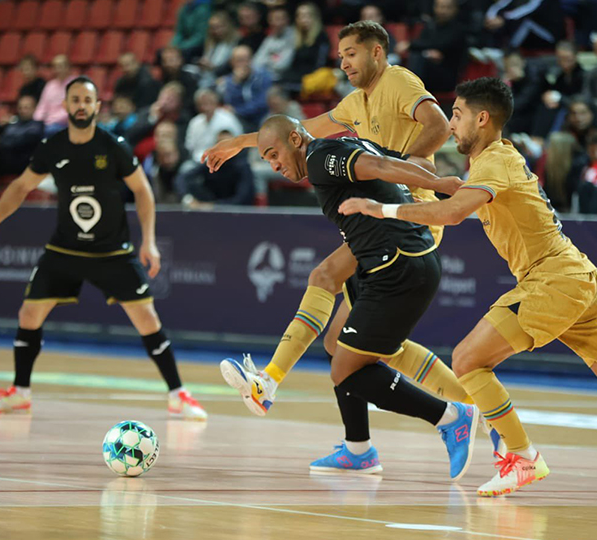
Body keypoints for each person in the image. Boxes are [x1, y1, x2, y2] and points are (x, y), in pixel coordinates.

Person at [339, 77, 597, 503]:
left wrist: (380, 207)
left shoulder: (493, 163)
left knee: (467, 360)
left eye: (457, 116)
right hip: (577, 277)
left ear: (482, 119)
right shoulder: (497, 160)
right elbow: (455, 195)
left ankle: (522, 455)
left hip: (553, 277)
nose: (451, 124)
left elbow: (453, 212)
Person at [205, 21, 478, 471]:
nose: (344, 61)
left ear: (377, 52)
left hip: (409, 213)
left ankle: (272, 381)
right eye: (340, 55)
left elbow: (437, 126)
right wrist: (240, 141)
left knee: (337, 306)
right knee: (345, 342)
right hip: (382, 210)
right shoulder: (352, 106)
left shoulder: (399, 81)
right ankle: (359, 446)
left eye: (352, 52)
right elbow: (296, 129)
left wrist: (415, 174)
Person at [247, 114, 478, 480]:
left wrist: (438, 183)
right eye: (266, 160)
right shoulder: (337, 147)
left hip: (399, 267)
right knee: (336, 340)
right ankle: (358, 448)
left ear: (295, 139)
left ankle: (452, 416)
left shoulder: (321, 157)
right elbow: (395, 162)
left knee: (347, 370)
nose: (274, 166)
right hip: (383, 263)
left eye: (273, 154)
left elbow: (383, 166)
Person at [0, 76, 207, 421]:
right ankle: (20, 393)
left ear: (97, 106)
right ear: (65, 106)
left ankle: (178, 395)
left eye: (87, 100)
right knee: (28, 314)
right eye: (75, 99)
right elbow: (20, 187)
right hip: (65, 249)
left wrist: (149, 241)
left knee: (147, 318)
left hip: (112, 251)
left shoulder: (114, 146)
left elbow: (142, 191)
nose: (81, 105)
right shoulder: (53, 146)